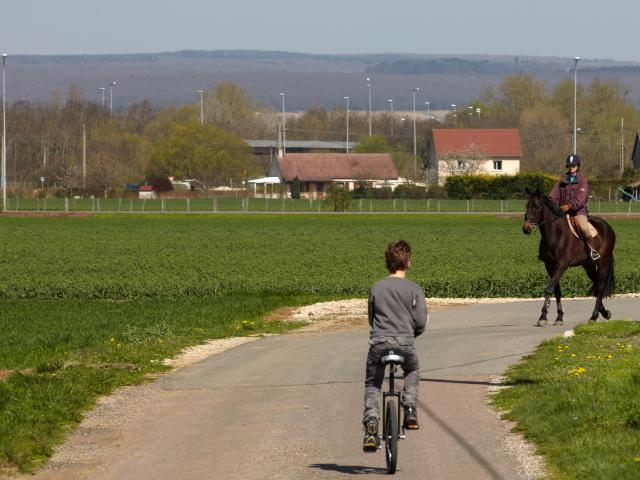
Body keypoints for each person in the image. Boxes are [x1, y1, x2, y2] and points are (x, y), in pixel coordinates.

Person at [362, 240, 429, 452]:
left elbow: (371, 318)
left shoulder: (377, 287)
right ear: (408, 262)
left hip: (380, 343)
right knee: (412, 369)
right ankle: (409, 409)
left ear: (386, 263)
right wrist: (411, 334)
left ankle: (371, 426)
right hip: (405, 343)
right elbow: (420, 321)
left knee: (373, 382)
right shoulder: (415, 289)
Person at [548, 154, 601, 261]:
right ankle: (546, 252)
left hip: (578, 212)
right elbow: (553, 196)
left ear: (578, 166)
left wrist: (570, 205)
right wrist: (554, 205)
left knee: (584, 227)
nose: (571, 167)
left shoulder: (582, 180)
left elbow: (581, 199)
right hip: (562, 212)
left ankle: (593, 251)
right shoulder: (562, 180)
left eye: (573, 165)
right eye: (569, 165)